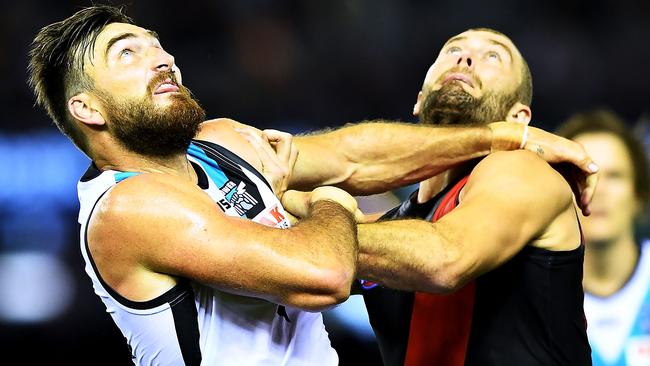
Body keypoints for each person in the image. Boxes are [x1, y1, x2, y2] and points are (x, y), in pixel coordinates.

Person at [28, 6, 597, 365]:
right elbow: (322, 270)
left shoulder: (217, 139)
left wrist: (505, 138)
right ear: (87, 108)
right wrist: (324, 206)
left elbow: (348, 157)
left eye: (157, 44)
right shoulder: (126, 207)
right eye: (129, 53)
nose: (163, 58)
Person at [285, 28, 593, 365]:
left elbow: (445, 258)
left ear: (518, 118)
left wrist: (326, 216)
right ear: (419, 100)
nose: (465, 57)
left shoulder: (523, 171)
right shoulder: (395, 226)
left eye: (493, 56)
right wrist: (301, 209)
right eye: (452, 50)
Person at [557, 109, 650, 366]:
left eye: (615, 176)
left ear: (639, 193)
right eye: (582, 176)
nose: (598, 190)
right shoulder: (533, 297)